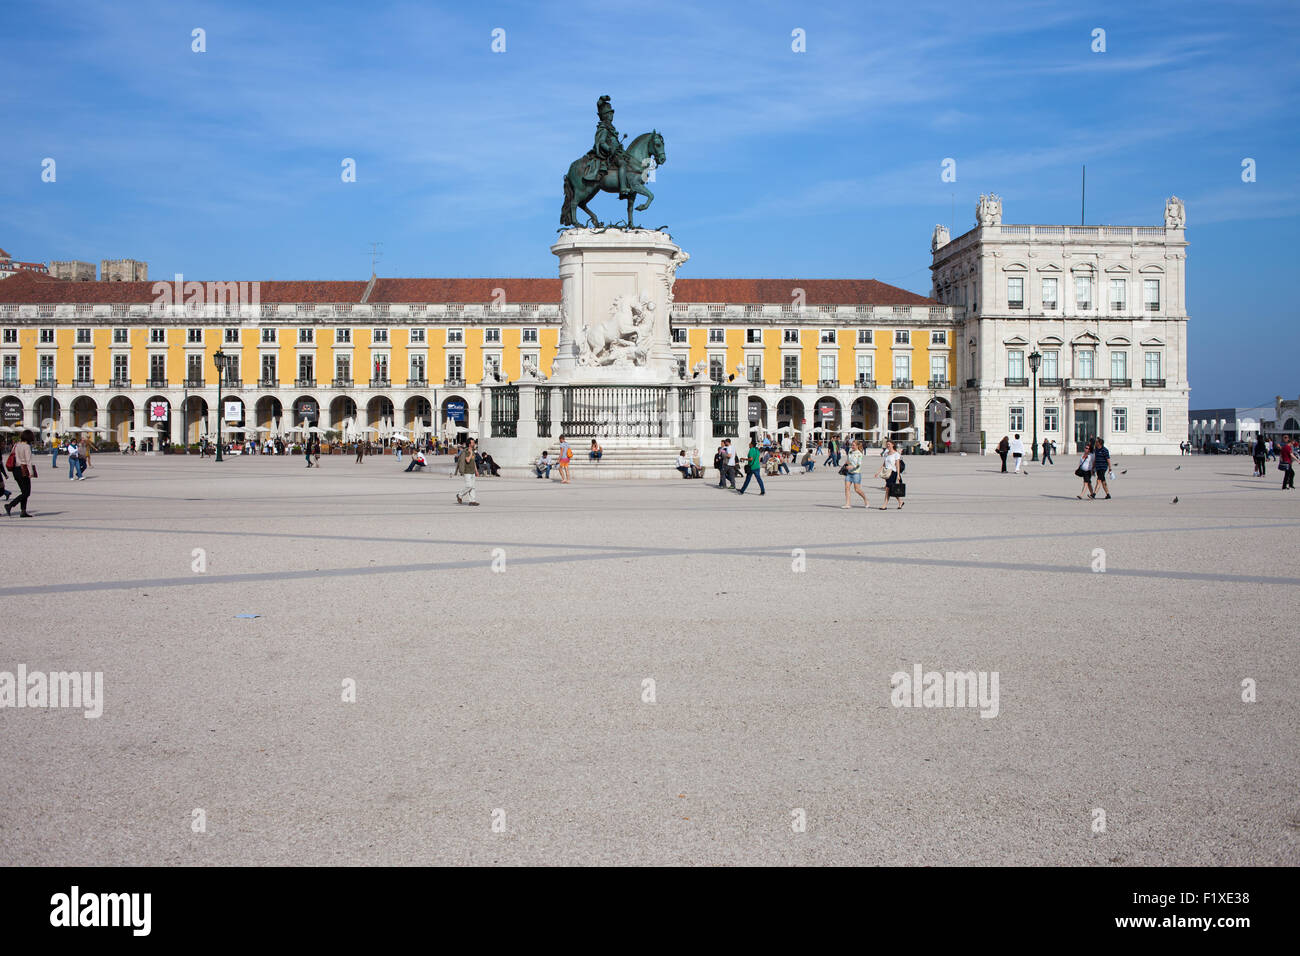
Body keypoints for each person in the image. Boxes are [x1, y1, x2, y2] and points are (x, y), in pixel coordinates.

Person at [5, 430, 37, 517]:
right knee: (26, 493)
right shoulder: (26, 447)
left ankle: (23, 511)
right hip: (23, 469)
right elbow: (28, 461)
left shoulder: (16, 445)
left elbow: (12, 456)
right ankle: (10, 505)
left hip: (16, 470)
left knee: (24, 492)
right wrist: (31, 472)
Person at [841, 439, 869, 509]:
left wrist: (852, 467)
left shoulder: (859, 454)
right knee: (847, 488)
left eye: (853, 445)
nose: (852, 446)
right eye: (851, 445)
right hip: (849, 473)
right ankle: (847, 504)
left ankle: (865, 499)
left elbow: (858, 465)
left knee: (857, 490)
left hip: (856, 473)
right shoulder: (850, 452)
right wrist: (846, 464)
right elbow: (847, 461)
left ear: (857, 446)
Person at [877, 440, 904, 509]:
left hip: (893, 473)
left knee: (888, 489)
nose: (888, 445)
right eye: (887, 444)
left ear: (892, 445)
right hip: (887, 473)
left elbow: (897, 465)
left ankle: (884, 505)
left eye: (889, 444)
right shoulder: (886, 453)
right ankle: (900, 502)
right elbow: (884, 463)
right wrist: (878, 471)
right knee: (892, 489)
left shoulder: (896, 454)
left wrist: (898, 475)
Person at [455, 438, 481, 506]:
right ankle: (459, 495)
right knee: (469, 486)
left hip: (472, 471)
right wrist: (471, 453)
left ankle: (472, 501)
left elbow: (473, 462)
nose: (474, 444)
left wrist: (476, 471)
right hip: (467, 472)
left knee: (473, 487)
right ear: (469, 444)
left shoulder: (472, 450)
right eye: (473, 443)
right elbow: (468, 460)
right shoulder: (466, 451)